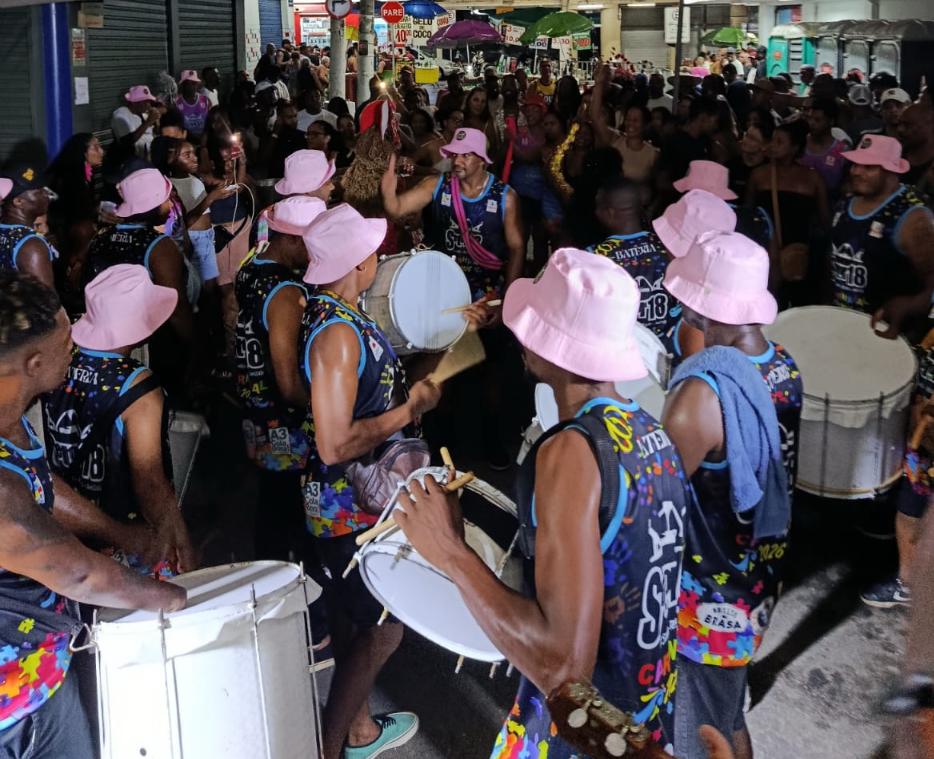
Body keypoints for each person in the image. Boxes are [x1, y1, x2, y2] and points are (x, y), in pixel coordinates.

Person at [394, 248, 693, 755]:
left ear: (558, 346)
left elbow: (562, 670)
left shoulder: (571, 453)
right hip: (639, 721)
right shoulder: (650, 430)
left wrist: (450, 551)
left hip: (581, 734)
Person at [0, 271, 187, 757]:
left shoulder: (8, 417)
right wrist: (181, 602)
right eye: (67, 340)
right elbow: (80, 574)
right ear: (35, 362)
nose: (75, 346)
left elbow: (38, 485)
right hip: (16, 700)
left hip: (35, 659)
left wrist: (117, 533)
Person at [297, 204, 440, 759]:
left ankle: (356, 732)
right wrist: (409, 412)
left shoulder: (338, 313)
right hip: (349, 506)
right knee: (383, 627)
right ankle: (328, 749)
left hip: (351, 503)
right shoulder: (337, 333)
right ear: (359, 261)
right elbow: (335, 444)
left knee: (356, 624)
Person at [660, 231, 802, 759]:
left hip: (704, 594)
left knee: (698, 735)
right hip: (756, 579)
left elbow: (657, 494)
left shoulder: (701, 395)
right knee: (726, 712)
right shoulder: (784, 364)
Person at [42, 265, 195, 578]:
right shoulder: (138, 387)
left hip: (71, 523)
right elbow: (149, 480)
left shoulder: (58, 363)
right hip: (128, 531)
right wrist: (180, 543)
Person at [236, 196, 324, 562]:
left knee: (273, 497)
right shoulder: (287, 293)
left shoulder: (250, 265)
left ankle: (272, 566)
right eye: (310, 242)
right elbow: (288, 384)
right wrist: (330, 411)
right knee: (290, 508)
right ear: (289, 240)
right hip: (284, 420)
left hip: (255, 406)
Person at [829, 134, 934, 336]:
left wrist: (910, 305)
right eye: (855, 164)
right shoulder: (846, 203)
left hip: (886, 333)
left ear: (892, 172)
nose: (856, 172)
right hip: (842, 324)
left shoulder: (913, 217)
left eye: (869, 167)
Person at [83, 168, 194, 346]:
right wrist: (192, 347)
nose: (171, 206)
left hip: (106, 339)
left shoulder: (100, 239)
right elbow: (177, 309)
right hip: (149, 342)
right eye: (167, 200)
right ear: (153, 205)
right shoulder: (159, 246)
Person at [592, 176, 685, 352]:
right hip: (669, 352)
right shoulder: (668, 247)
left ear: (610, 212)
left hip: (622, 355)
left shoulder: (595, 256)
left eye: (598, 207)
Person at [0, 165, 55, 288]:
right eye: (39, 190)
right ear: (18, 201)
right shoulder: (31, 245)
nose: (47, 194)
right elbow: (46, 302)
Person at [658, 97, 720, 190]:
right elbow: (661, 181)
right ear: (703, 117)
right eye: (714, 121)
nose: (715, 125)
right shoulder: (674, 141)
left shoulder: (706, 141)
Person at [801, 98, 849, 197]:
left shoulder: (843, 150)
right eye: (810, 118)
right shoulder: (799, 144)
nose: (811, 123)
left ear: (831, 121)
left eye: (817, 120)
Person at [111, 85, 164, 159]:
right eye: (145, 102)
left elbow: (155, 134)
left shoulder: (143, 114)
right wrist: (148, 122)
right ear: (134, 103)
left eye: (149, 101)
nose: (148, 105)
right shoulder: (120, 115)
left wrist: (156, 122)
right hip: (129, 161)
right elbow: (126, 142)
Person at [898, 104, 934, 188]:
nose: (900, 129)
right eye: (900, 123)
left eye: (907, 125)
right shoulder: (895, 154)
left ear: (930, 125)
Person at [174, 70, 212, 140]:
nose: (191, 86)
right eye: (188, 83)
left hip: (204, 140)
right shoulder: (176, 102)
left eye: (194, 83)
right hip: (186, 140)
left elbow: (210, 122)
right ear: (182, 85)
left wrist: (204, 138)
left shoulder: (205, 100)